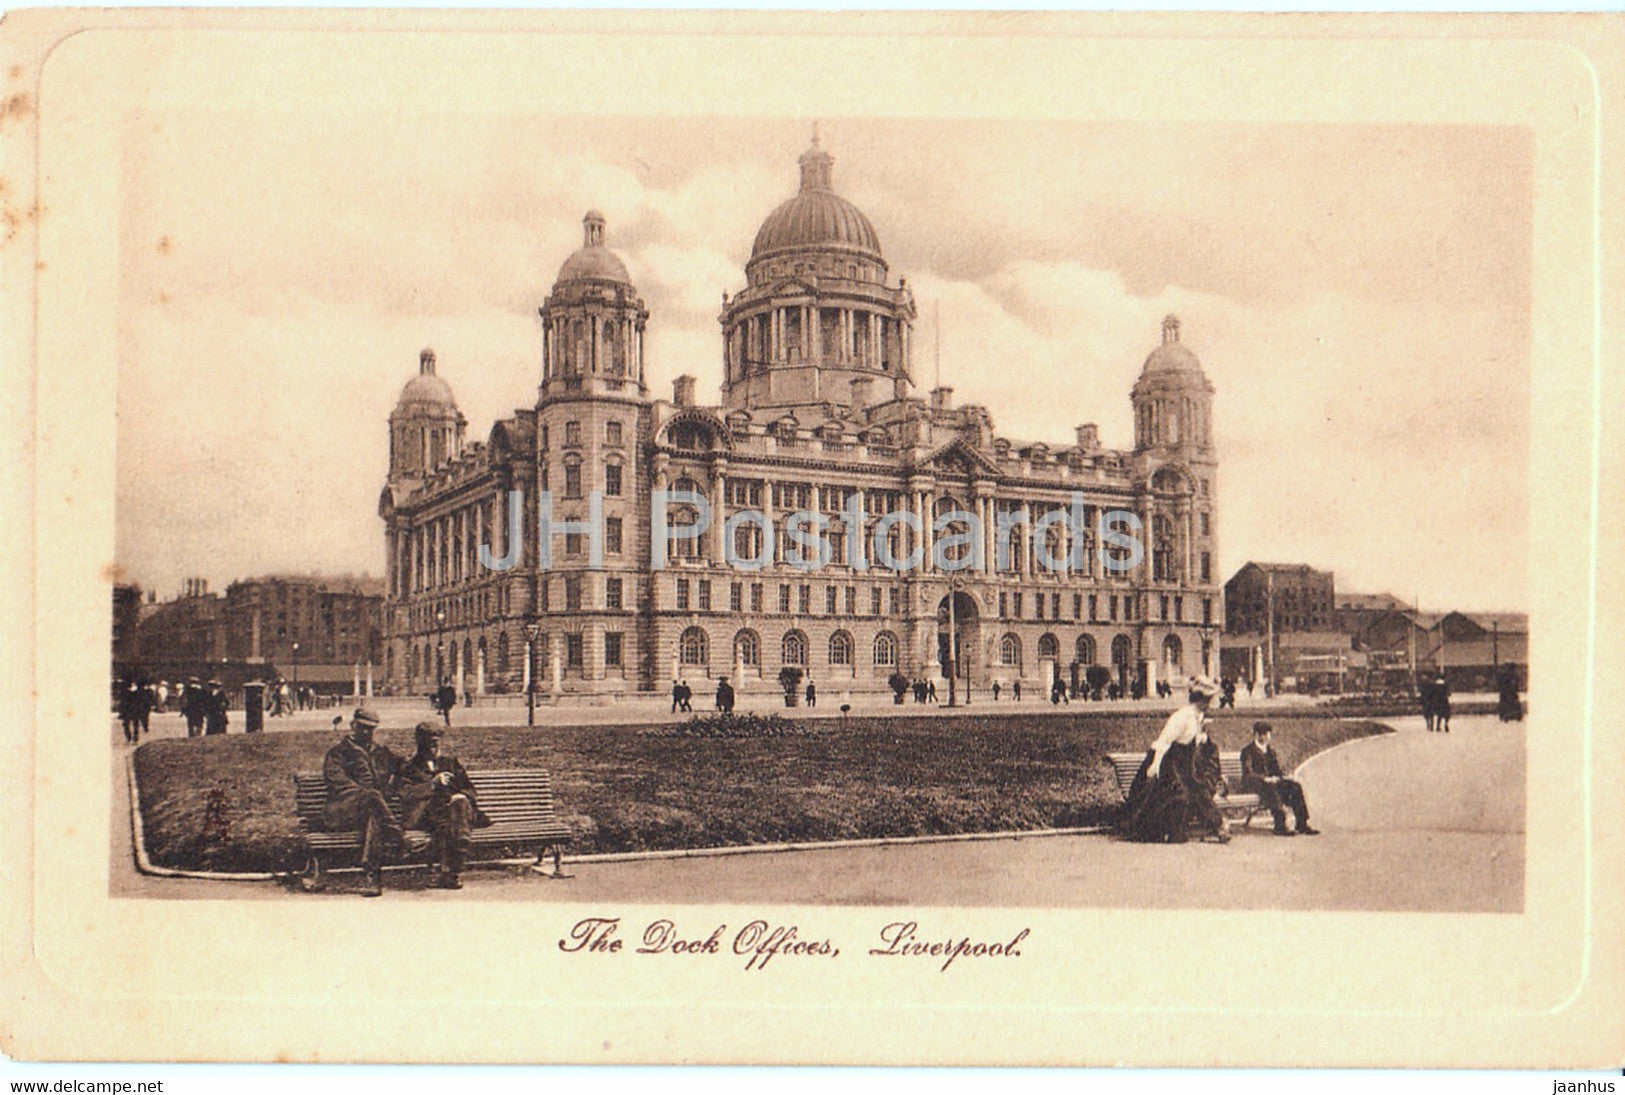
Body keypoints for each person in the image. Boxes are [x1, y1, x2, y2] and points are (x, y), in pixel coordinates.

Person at [1116, 676, 1229, 844]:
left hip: (1183, 764)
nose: (1212, 704)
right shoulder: (1182, 716)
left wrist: (1202, 738)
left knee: (1196, 790)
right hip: (1167, 763)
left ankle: (1214, 825)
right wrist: (1155, 765)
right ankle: (1199, 827)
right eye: (1210, 700)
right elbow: (1164, 742)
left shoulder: (1198, 716)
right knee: (1178, 794)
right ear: (1202, 700)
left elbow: (1193, 742)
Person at [321, 706, 403, 897]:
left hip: (369, 812)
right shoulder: (338, 753)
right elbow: (337, 783)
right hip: (341, 810)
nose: (367, 732)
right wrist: (365, 794)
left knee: (373, 816)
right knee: (372, 797)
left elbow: (404, 767)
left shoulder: (380, 752)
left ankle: (371, 877)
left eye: (371, 729)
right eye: (363, 727)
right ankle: (399, 836)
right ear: (353, 726)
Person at [398, 721, 490, 889]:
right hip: (428, 815)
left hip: (456, 813)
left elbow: (470, 789)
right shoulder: (409, 767)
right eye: (430, 744)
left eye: (437, 743)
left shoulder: (451, 763)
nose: (434, 748)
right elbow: (405, 793)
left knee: (458, 807)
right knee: (452, 823)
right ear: (420, 743)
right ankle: (454, 869)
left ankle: (452, 869)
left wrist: (461, 795)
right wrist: (432, 785)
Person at [1239, 721, 1319, 836]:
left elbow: (1276, 770)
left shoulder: (1270, 751)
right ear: (1257, 735)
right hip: (1253, 784)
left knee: (1295, 786)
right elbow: (1248, 772)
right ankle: (1280, 826)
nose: (1267, 737)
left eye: (1268, 734)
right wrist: (1264, 779)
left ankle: (1302, 824)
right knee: (1271, 787)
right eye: (1265, 734)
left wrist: (1284, 777)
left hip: (1270, 783)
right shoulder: (1248, 751)